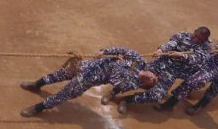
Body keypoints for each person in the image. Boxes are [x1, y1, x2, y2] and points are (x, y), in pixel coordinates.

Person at [18, 47, 158, 118]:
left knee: (64, 94)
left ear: (144, 84)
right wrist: (105, 51)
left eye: (152, 82)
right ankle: (37, 84)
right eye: (154, 77)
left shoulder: (131, 84)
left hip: (87, 80)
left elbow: (115, 78)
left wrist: (117, 62)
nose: (153, 78)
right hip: (89, 65)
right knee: (60, 74)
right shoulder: (139, 61)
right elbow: (125, 50)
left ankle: (38, 108)